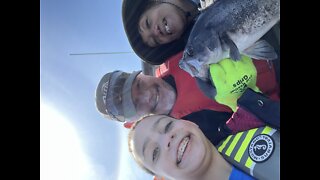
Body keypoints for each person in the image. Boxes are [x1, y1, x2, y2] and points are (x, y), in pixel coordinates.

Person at [122, 0, 280, 101]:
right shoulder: (209, 66)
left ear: (153, 2)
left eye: (148, 23)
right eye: (156, 41)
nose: (156, 32)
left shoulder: (205, 24)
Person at [95, 70, 280, 145]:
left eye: (138, 85)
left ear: (142, 74)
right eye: (136, 104)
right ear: (135, 121)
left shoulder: (178, 52)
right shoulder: (191, 139)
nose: (147, 95)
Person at [128, 114, 279, 180]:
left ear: (191, 123)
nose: (167, 139)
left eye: (167, 126)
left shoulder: (258, 122)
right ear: (163, 178)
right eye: (155, 153)